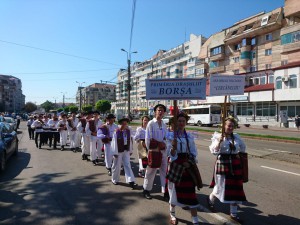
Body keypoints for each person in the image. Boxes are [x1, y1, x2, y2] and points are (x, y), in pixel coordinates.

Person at [208, 116, 247, 223]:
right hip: (223, 164)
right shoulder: (218, 136)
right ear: (224, 126)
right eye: (228, 125)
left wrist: (238, 155)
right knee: (220, 188)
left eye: (232, 126)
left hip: (235, 164)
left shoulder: (236, 137)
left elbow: (243, 147)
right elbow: (213, 151)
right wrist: (219, 142)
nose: (230, 128)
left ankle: (233, 214)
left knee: (236, 189)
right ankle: (211, 200)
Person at [167, 112, 200, 225]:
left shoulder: (189, 136)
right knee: (174, 191)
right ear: (175, 122)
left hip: (187, 165)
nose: (181, 123)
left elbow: (193, 151)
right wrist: (173, 148)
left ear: (185, 122)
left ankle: (195, 219)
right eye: (179, 121)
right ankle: (172, 214)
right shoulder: (170, 136)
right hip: (176, 165)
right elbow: (169, 153)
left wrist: (190, 162)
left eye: (183, 121)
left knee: (190, 191)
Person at [143, 104, 168, 199]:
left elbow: (166, 137)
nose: (160, 112)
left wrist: (164, 144)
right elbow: (148, 138)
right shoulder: (151, 123)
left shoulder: (164, 124)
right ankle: (146, 189)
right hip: (154, 150)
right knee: (151, 170)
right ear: (155, 112)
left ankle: (165, 191)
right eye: (159, 110)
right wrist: (155, 146)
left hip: (163, 151)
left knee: (164, 171)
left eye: (162, 110)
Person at [111, 118, 137, 189]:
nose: (125, 125)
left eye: (126, 123)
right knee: (117, 166)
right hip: (118, 151)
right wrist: (115, 152)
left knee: (127, 165)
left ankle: (131, 181)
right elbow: (114, 143)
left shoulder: (128, 131)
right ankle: (115, 179)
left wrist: (130, 150)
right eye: (123, 123)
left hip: (126, 150)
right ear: (121, 124)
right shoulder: (117, 132)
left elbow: (130, 141)